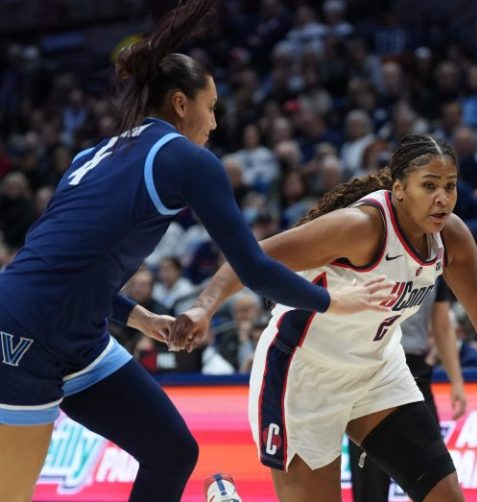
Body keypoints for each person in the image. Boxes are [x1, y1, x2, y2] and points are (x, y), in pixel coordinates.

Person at [0, 2, 389, 501]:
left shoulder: (92, 154)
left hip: (76, 333)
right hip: (26, 331)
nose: (215, 122)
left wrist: (142, 318)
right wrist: (335, 302)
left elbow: (75, 267)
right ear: (181, 103)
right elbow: (254, 268)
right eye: (211, 107)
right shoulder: (185, 159)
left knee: (171, 451)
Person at [170, 134, 477, 502]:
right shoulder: (361, 227)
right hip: (304, 377)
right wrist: (204, 306)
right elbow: (252, 258)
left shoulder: (451, 236)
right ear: (399, 190)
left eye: (450, 186)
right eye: (429, 186)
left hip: (377, 372)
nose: (442, 198)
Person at [348, 277, 467, 502]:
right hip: (371, 373)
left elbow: (442, 327)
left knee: (434, 478)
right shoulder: (364, 259)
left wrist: (457, 381)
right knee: (370, 486)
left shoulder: (435, 264)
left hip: (416, 371)